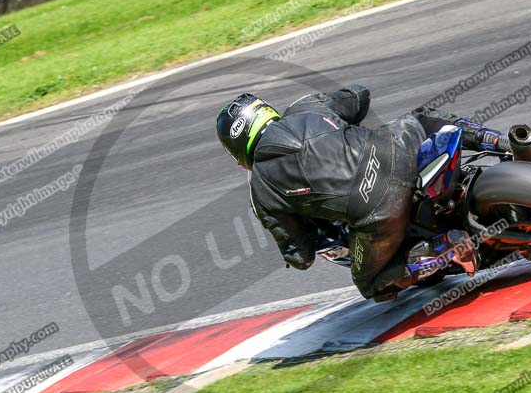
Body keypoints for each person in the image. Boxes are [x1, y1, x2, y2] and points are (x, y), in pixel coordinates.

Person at [214, 85, 509, 301]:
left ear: (236, 147)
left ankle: (444, 246)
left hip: (376, 211)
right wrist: (334, 115)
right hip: (397, 148)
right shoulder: (305, 107)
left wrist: (293, 254)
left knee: (370, 283)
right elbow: (359, 95)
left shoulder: (261, 189)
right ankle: (497, 139)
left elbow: (301, 255)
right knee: (423, 117)